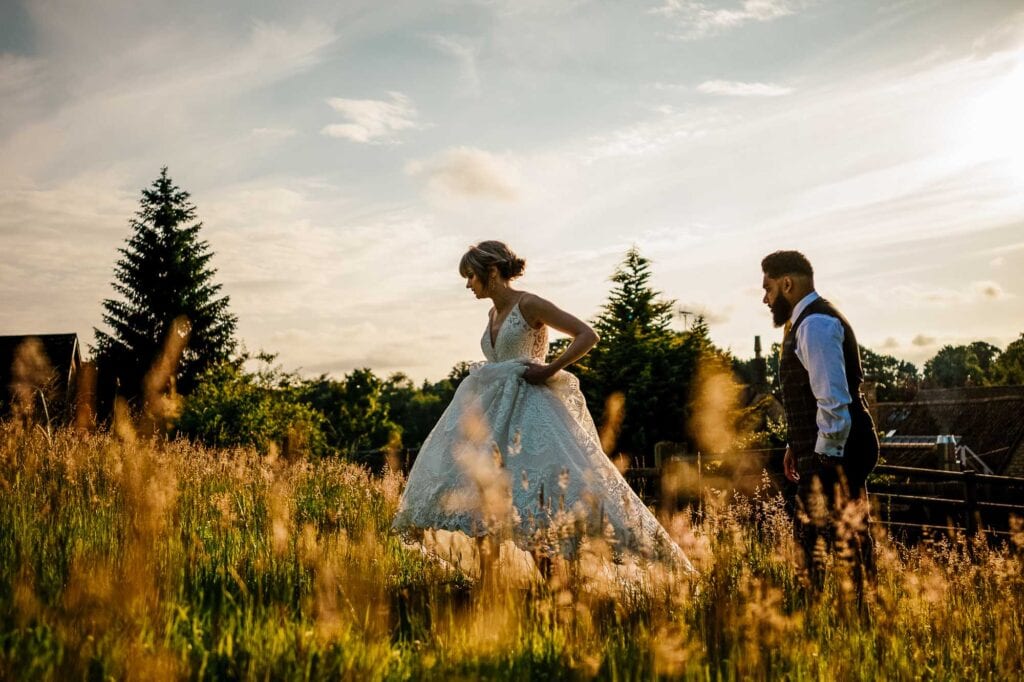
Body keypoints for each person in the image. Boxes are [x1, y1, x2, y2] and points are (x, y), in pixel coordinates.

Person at [392, 241, 693, 578]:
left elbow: (586, 334)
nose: (468, 284)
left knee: (533, 503)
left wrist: (549, 369)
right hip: (493, 413)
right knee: (486, 497)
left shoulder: (529, 304)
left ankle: (559, 589)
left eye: (471, 276)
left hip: (531, 412)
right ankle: (490, 591)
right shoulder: (492, 313)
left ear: (491, 272)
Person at [760, 250, 878, 592]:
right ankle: (844, 611)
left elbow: (833, 399)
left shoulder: (815, 324)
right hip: (825, 446)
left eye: (768, 288)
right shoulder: (801, 323)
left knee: (833, 539)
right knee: (824, 538)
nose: (765, 298)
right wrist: (795, 444)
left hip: (838, 449)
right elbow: (810, 396)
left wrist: (827, 456)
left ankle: (855, 611)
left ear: (787, 283)